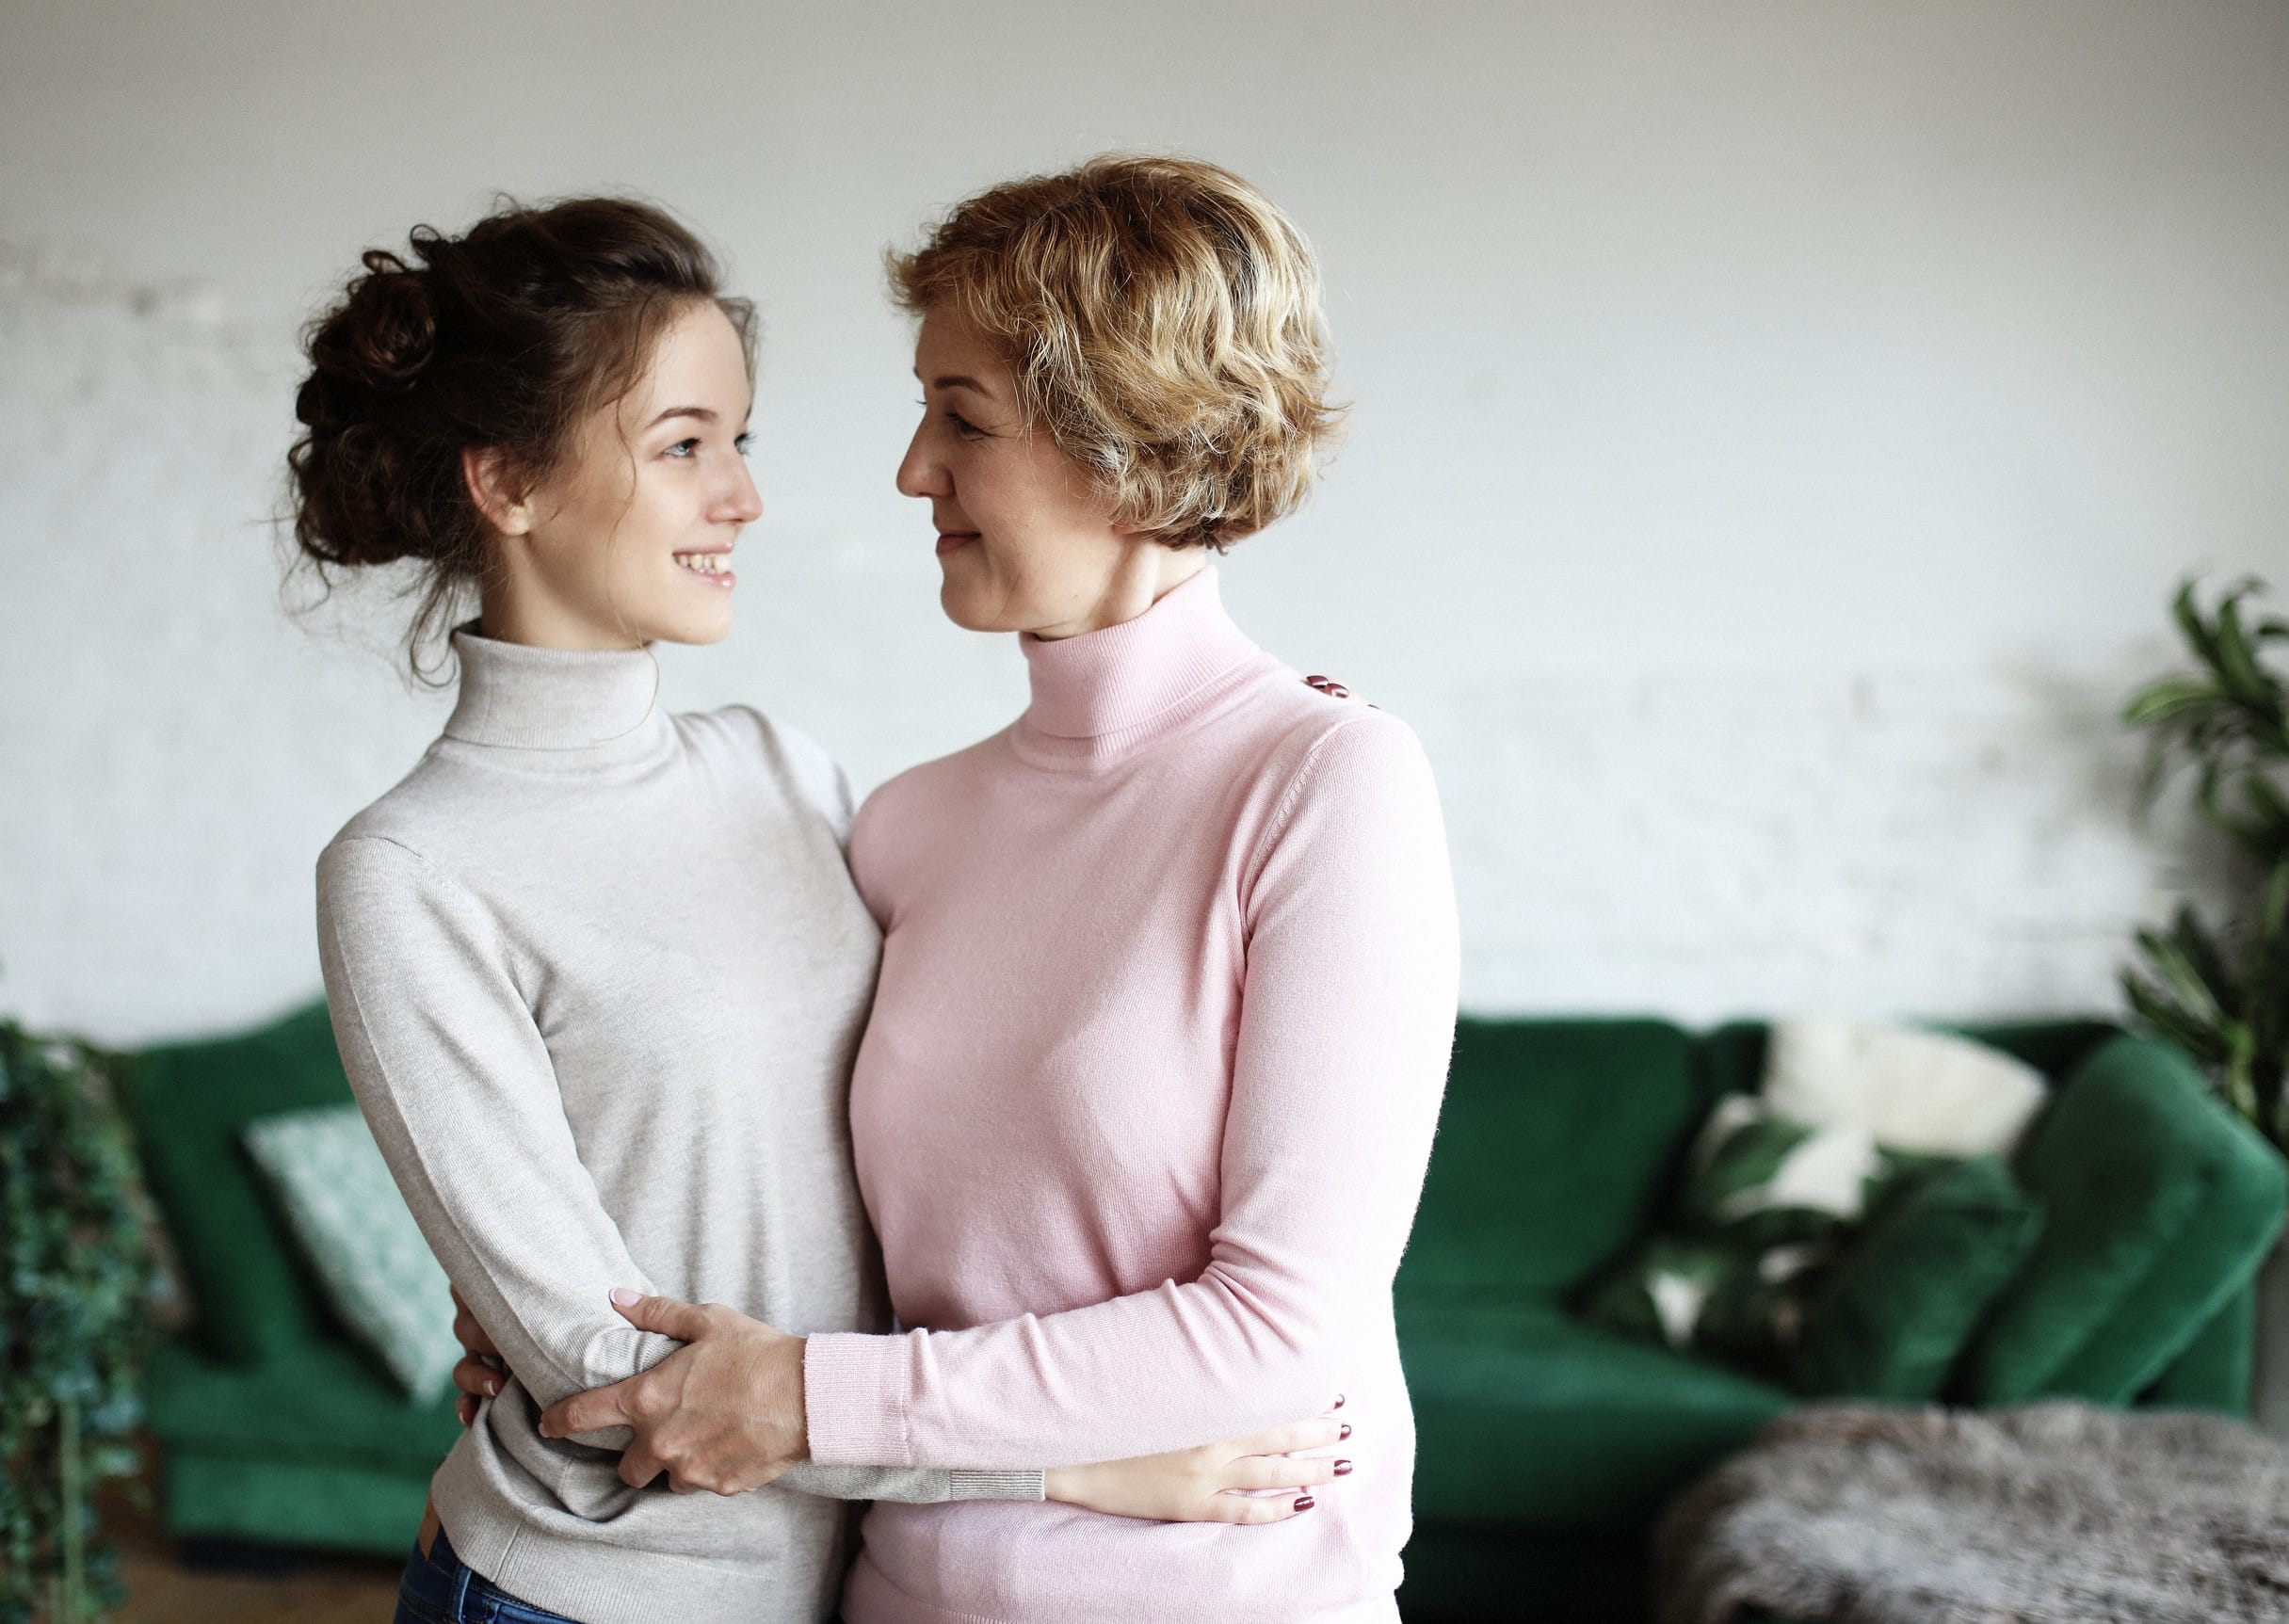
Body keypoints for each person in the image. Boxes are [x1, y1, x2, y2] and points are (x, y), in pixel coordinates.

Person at [293, 196, 1342, 1624]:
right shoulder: (408, 868)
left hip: (837, 1588)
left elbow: (938, 1138)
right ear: (507, 484)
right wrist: (1066, 1467)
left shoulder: (783, 773)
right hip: (595, 1596)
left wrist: (1242, 757)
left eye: (739, 441)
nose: (742, 496)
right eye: (682, 446)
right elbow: (615, 1379)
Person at [525, 156, 1460, 1624]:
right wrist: (557, 1327)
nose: (912, 470)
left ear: (1134, 447)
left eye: (960, 416)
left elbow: (1281, 1329)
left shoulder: (1326, 784)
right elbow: (775, 1186)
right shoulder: (910, 826)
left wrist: (805, 1395)